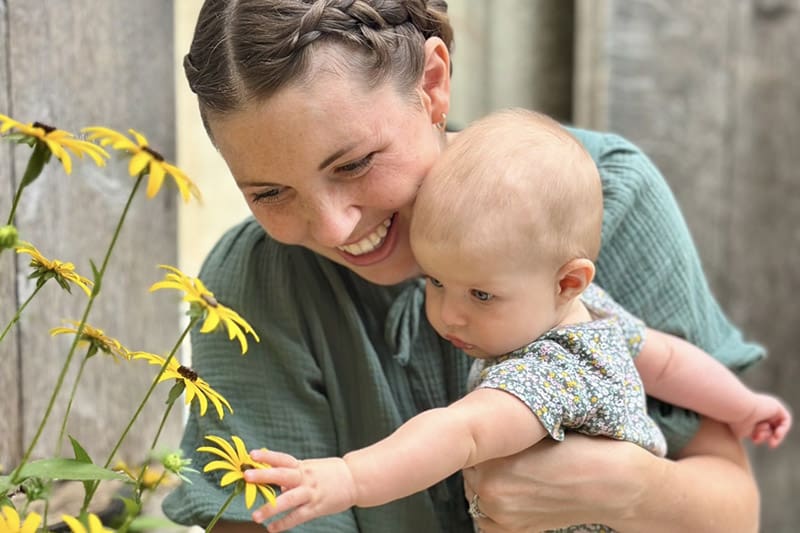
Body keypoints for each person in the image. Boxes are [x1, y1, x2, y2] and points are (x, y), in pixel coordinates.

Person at [164, 1, 767, 531]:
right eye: (270, 193)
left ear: (432, 82)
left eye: (353, 165)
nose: (333, 228)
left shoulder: (607, 196)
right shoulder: (253, 282)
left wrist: (625, 488)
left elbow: (733, 512)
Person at [239, 108, 791, 532]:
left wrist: (350, 477)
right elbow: (668, 361)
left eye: (481, 294)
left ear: (567, 280)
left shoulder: (550, 371)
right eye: (435, 281)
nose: (449, 313)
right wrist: (743, 407)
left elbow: (460, 432)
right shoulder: (591, 315)